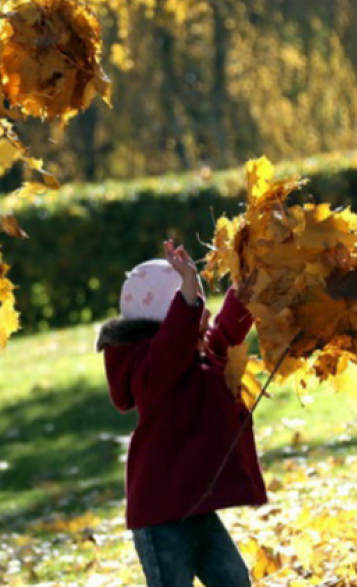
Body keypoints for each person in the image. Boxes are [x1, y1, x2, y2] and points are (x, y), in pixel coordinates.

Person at [95, 240, 267, 587]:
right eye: (192, 302)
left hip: (196, 507)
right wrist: (187, 289)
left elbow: (226, 331)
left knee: (235, 580)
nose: (204, 312)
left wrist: (246, 288)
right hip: (160, 515)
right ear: (167, 318)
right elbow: (170, 347)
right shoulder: (153, 371)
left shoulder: (196, 355)